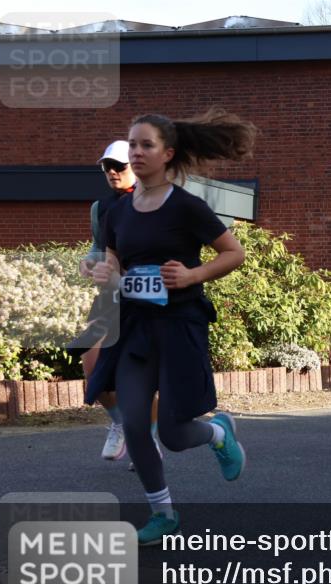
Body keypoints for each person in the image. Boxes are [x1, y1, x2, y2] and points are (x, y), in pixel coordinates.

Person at [86, 109, 254, 545]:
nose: (137, 153)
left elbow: (233, 254)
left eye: (146, 145)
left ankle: (218, 432)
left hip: (179, 324)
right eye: (133, 145)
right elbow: (115, 264)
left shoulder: (187, 207)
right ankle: (163, 513)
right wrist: (108, 275)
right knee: (138, 424)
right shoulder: (118, 212)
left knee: (176, 434)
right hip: (136, 327)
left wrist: (193, 275)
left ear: (168, 153)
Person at [79, 141, 137, 461]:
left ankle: (151, 440)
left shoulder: (149, 201)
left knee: (144, 373)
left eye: (120, 166)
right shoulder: (100, 207)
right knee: (91, 365)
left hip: (142, 294)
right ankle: (120, 423)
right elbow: (97, 247)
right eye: (107, 167)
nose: (113, 173)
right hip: (109, 295)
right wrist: (88, 262)